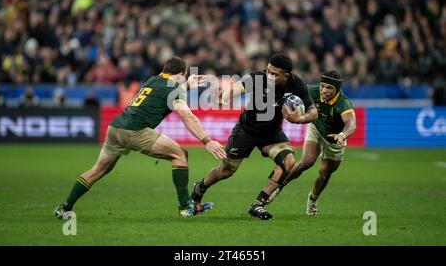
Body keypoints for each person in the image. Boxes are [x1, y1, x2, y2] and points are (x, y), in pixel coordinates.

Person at [54, 57, 227, 219]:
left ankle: (65, 206)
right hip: (135, 131)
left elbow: (166, 92)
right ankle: (186, 206)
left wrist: (186, 86)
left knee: (98, 170)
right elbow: (185, 114)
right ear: (182, 74)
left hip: (115, 128)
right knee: (180, 154)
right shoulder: (173, 88)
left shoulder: (153, 80)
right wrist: (207, 140)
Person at [191, 53, 318, 220]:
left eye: (275, 74)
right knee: (226, 170)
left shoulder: (297, 84)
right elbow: (237, 88)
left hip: (271, 133)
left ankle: (257, 204)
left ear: (286, 76)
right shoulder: (257, 78)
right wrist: (224, 96)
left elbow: (313, 112)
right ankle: (199, 188)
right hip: (246, 130)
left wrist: (300, 119)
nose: (269, 76)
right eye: (268, 71)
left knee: (288, 161)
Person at [265, 70, 357, 216]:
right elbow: (289, 89)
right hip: (315, 127)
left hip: (334, 139)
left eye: (329, 88)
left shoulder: (343, 103)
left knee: (324, 174)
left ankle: (312, 199)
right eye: (323, 86)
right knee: (306, 161)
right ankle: (278, 187)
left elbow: (351, 124)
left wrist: (342, 135)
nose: (324, 91)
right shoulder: (311, 91)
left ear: (337, 89)